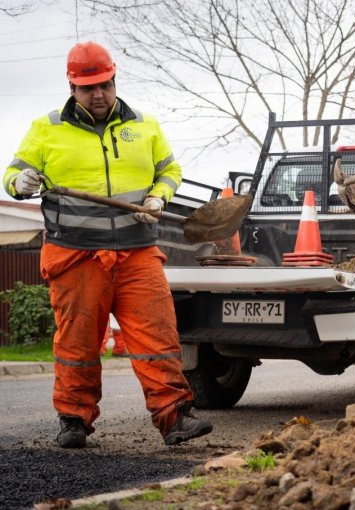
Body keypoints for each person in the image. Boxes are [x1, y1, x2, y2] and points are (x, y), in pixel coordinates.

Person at [3, 41, 212, 449]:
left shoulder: (145, 125)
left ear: (114, 80)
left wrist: (158, 198)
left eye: (105, 84)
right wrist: (19, 183)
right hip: (76, 254)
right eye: (88, 88)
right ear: (72, 87)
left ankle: (176, 419)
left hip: (137, 251)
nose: (98, 94)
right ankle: (74, 420)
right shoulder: (45, 129)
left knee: (158, 336)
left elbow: (169, 168)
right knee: (77, 342)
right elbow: (14, 174)